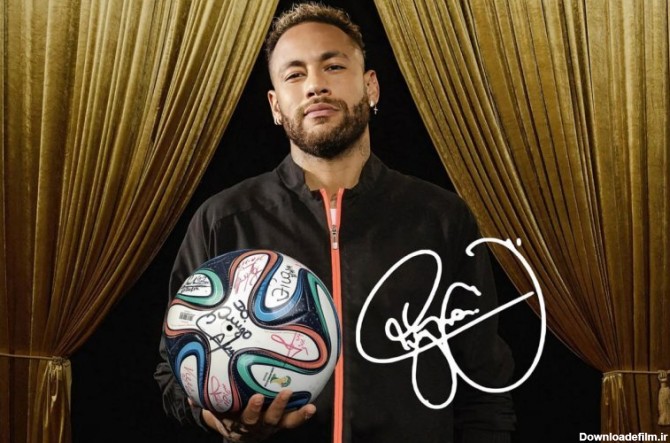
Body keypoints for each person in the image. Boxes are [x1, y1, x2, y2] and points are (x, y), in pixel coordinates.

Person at [155, 3, 516, 442]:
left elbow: (484, 385)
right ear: (275, 105)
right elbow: (173, 372)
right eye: (294, 74)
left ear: (371, 86)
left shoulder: (440, 217)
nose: (315, 85)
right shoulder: (223, 220)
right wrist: (218, 419)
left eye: (333, 66)